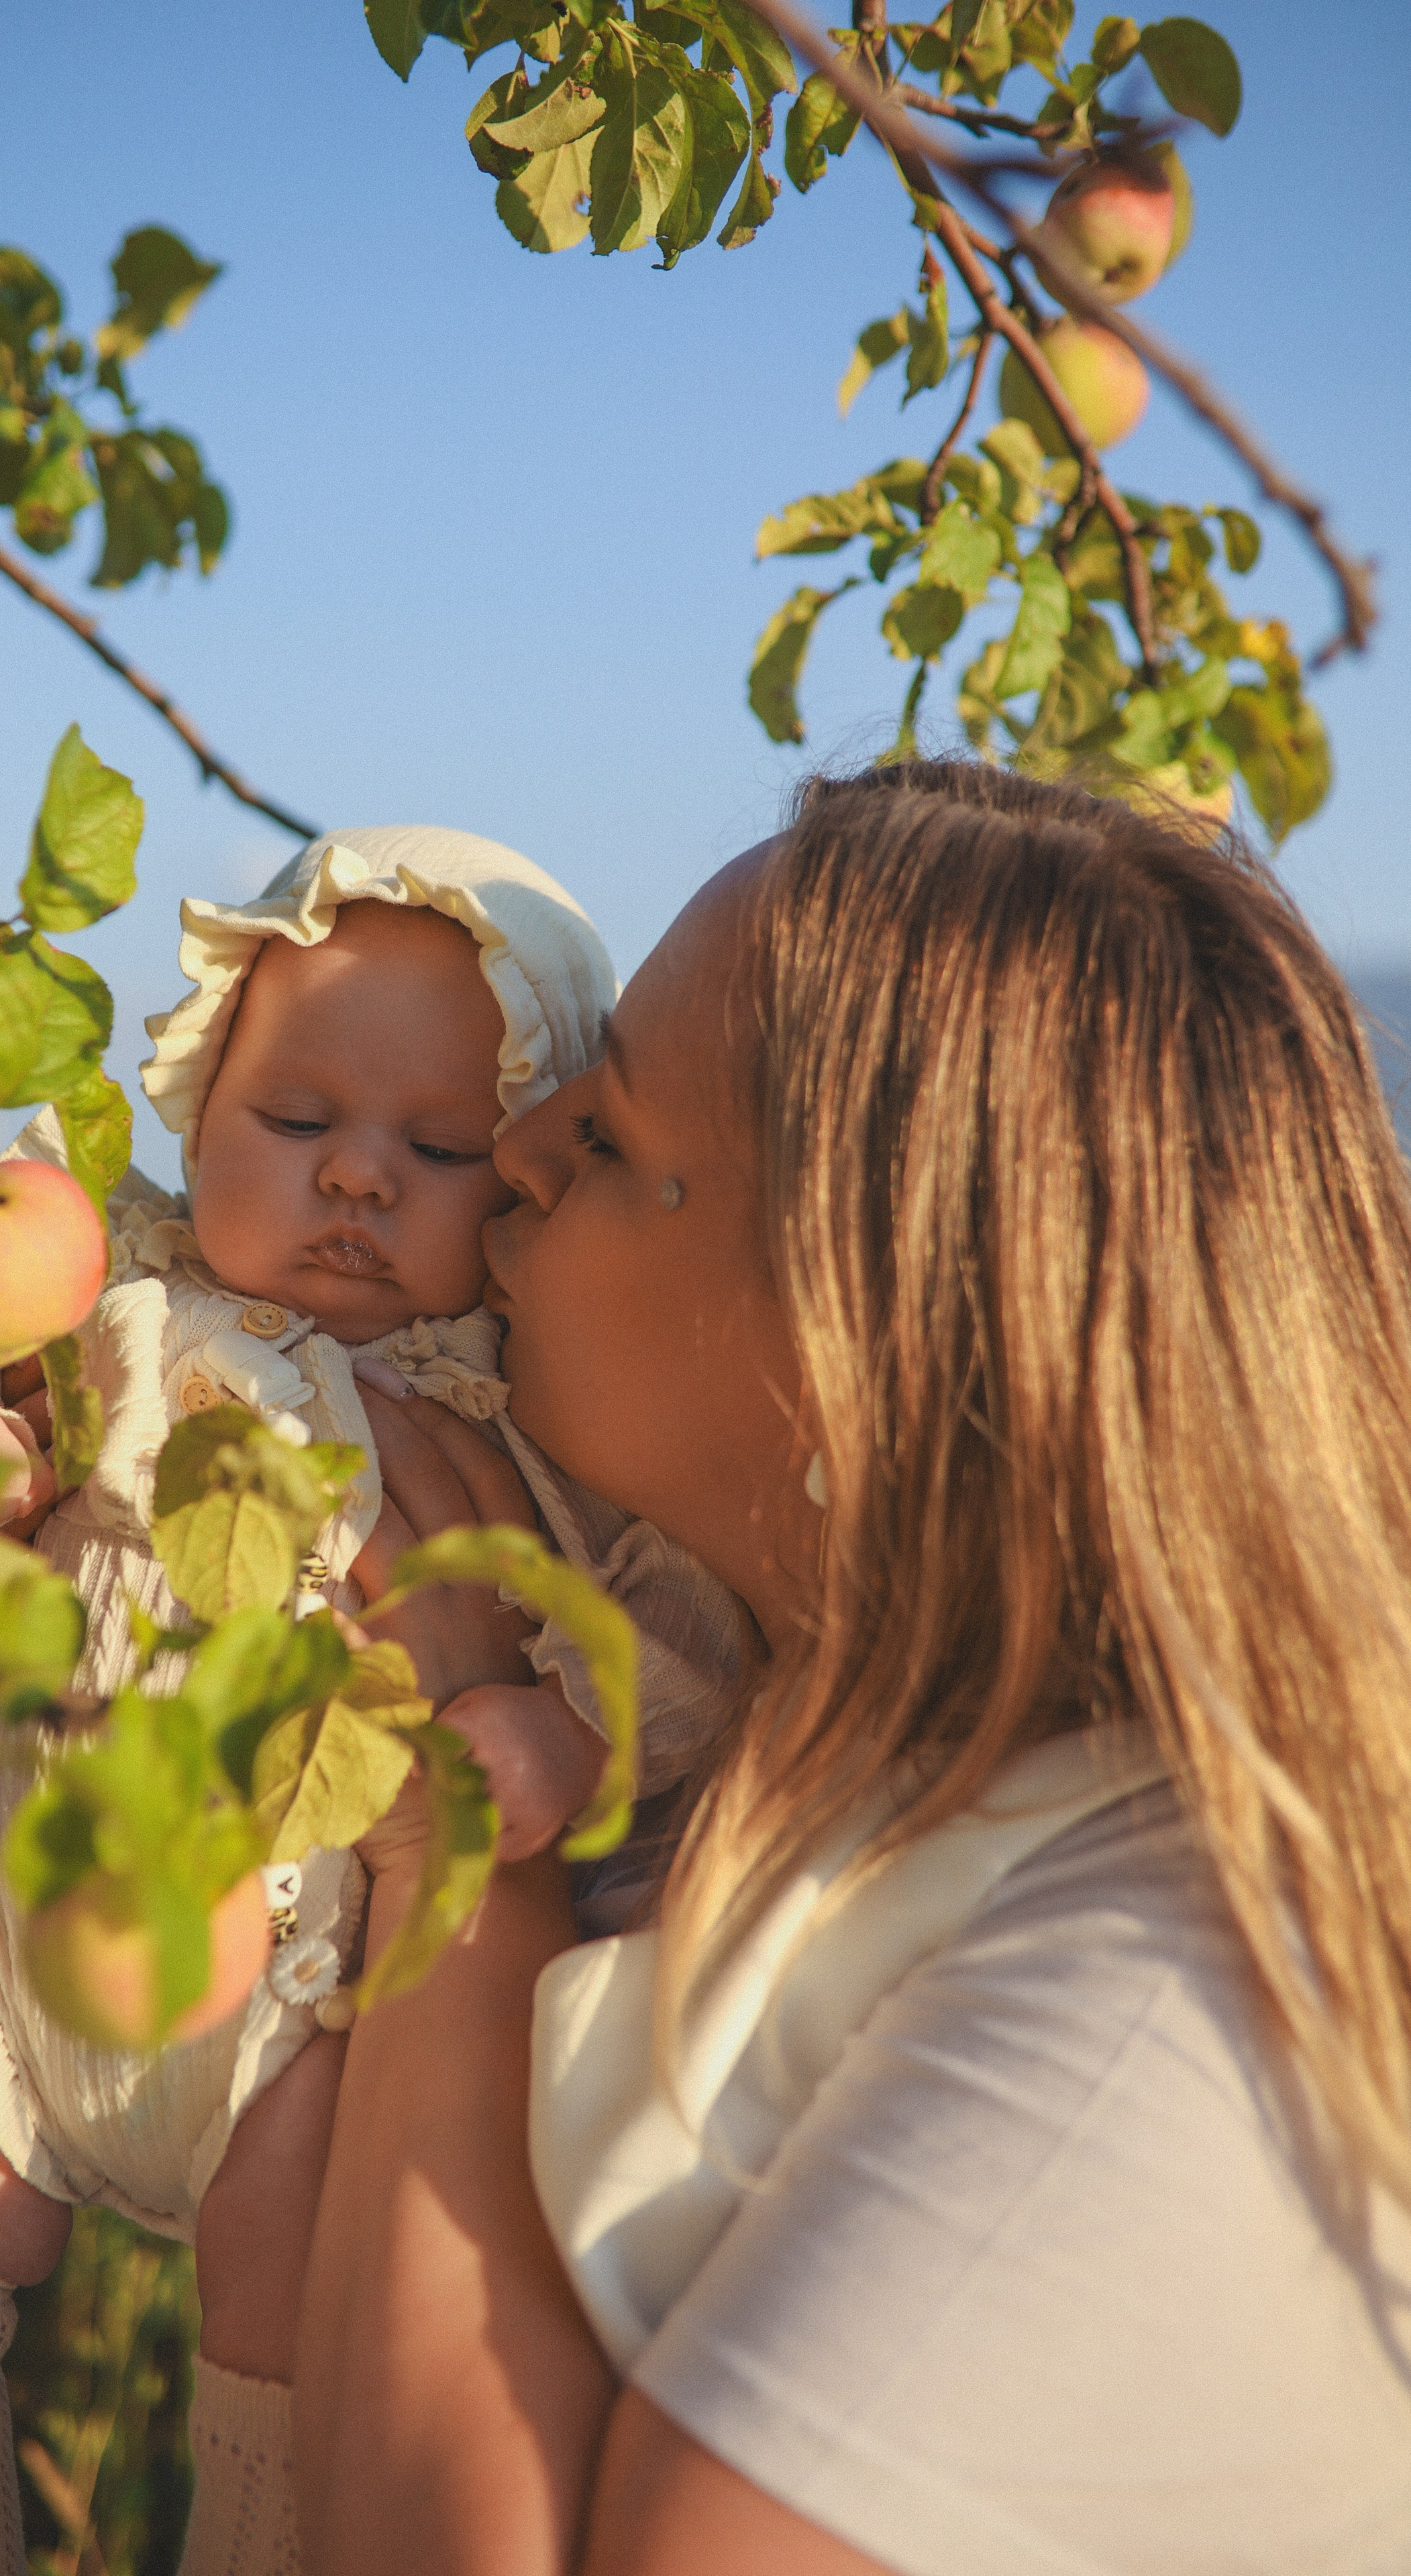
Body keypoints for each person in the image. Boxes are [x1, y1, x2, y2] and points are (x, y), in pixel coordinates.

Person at [286, 763, 1411, 2575]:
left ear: (847, 1345)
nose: (514, 1144)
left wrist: (461, 1854)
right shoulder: (799, 1760)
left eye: (616, 1146)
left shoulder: (1172, 1979)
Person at [0, 826, 744, 2576]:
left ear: (519, 1173)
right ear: (197, 1104)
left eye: (442, 1147)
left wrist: (569, 1731)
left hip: (295, 2016)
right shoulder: (109, 1308)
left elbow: (673, 1631)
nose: (360, 1179)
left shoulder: (514, 1420)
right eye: (297, 1125)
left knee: (284, 2315)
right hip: (29, 1938)